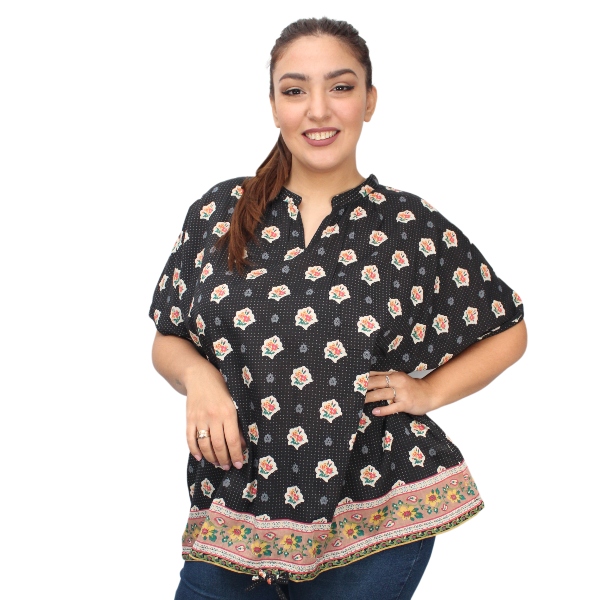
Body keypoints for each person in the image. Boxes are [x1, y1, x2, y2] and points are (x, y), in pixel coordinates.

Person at [148, 17, 527, 600]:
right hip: (232, 506)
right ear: (274, 106)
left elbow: (507, 328)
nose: (318, 110)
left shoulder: (409, 226)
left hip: (373, 521)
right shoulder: (219, 213)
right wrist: (200, 380)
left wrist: (427, 392)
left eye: (341, 87)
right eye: (295, 90)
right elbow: (168, 335)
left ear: (369, 101)